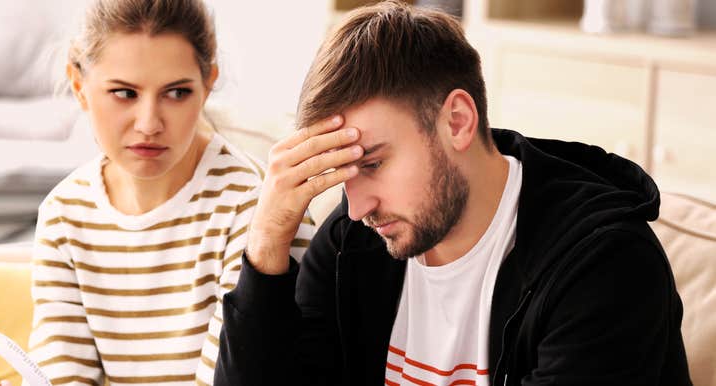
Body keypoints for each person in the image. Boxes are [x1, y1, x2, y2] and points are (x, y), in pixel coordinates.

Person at [214, 1, 692, 385]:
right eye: (343, 173)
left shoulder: (605, 266)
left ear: (457, 121)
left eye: (374, 164)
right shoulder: (352, 244)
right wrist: (268, 238)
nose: (357, 206)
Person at [0, 1, 315, 386]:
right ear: (79, 87)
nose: (149, 123)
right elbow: (62, 377)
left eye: (176, 93)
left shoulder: (258, 208)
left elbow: (241, 376)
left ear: (207, 85)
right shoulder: (64, 214)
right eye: (124, 93)